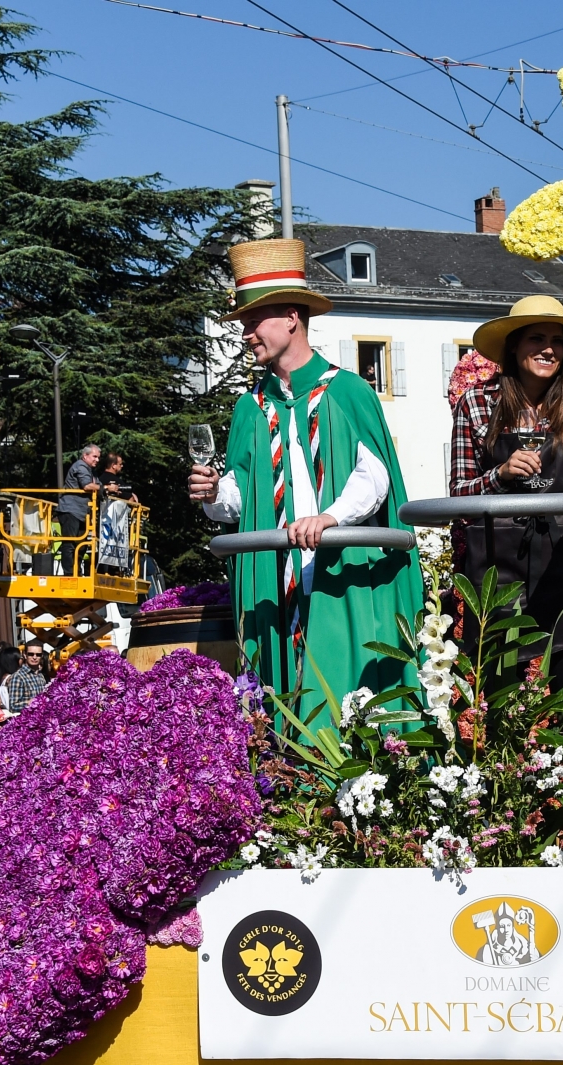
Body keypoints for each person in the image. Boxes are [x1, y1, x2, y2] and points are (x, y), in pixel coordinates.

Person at [188, 237, 422, 731]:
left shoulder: (349, 390)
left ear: (291, 317)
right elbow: (241, 497)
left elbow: (374, 475)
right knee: (281, 695)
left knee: (345, 691)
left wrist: (330, 518)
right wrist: (213, 494)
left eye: (255, 321)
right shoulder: (249, 407)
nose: (246, 334)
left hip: (342, 571)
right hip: (276, 578)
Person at [449, 293, 563, 753]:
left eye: (557, 341)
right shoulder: (476, 405)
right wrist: (497, 476)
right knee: (500, 713)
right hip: (495, 579)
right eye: (537, 339)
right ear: (514, 347)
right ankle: (505, 817)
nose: (549, 350)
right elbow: (458, 494)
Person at [59, 443, 102, 575]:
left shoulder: (89, 470)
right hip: (71, 510)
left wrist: (102, 487)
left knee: (81, 544)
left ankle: (76, 571)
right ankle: (69, 573)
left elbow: (97, 484)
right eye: (94, 456)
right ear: (85, 455)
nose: (97, 460)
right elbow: (87, 486)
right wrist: (105, 488)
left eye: (98, 457)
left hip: (81, 512)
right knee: (70, 543)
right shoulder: (80, 466)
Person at [1, 641, 48, 713]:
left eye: (38, 655)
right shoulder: (18, 677)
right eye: (31, 654)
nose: (34, 657)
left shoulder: (40, 675)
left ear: (41, 656)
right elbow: (13, 706)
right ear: (25, 655)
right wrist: (30, 703)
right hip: (27, 721)